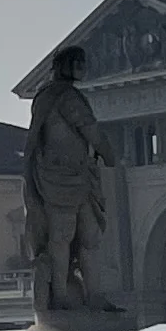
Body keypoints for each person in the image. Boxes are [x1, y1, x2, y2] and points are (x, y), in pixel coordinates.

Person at [22, 44, 114, 314]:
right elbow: (91, 131)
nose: (83, 68)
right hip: (62, 179)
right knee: (72, 237)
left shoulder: (46, 97)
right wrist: (110, 156)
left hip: (71, 177)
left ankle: (86, 295)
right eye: (78, 63)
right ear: (65, 66)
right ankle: (68, 296)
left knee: (80, 236)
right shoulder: (65, 97)